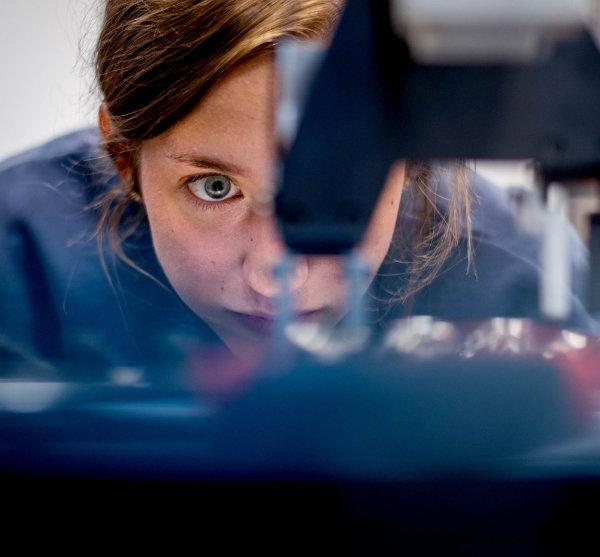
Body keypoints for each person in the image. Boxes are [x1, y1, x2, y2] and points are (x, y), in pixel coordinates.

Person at [0, 0, 594, 379]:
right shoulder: (17, 259)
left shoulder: (513, 281)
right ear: (124, 161)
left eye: (334, 182)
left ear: (409, 158)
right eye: (214, 187)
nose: (273, 271)